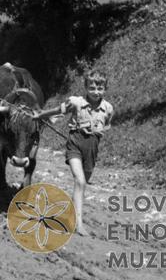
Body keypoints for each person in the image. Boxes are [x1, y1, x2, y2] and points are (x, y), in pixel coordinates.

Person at [35, 70, 114, 236]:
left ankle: (70, 213)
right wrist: (41, 115)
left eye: (100, 88)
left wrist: (95, 130)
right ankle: (79, 225)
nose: (96, 92)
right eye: (92, 88)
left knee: (83, 184)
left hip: (92, 148)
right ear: (86, 87)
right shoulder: (76, 102)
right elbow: (58, 110)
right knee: (80, 181)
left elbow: (107, 124)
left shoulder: (108, 108)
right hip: (75, 144)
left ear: (105, 89)